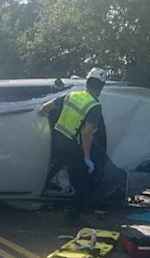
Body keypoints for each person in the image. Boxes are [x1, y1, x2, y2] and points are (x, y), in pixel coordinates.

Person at [39, 68, 108, 223]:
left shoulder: (72, 95)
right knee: (84, 181)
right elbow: (88, 133)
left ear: (87, 82)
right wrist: (87, 157)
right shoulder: (94, 105)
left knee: (59, 166)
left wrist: (41, 117)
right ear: (101, 87)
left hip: (57, 141)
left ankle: (42, 191)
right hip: (72, 146)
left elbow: (46, 107)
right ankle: (72, 218)